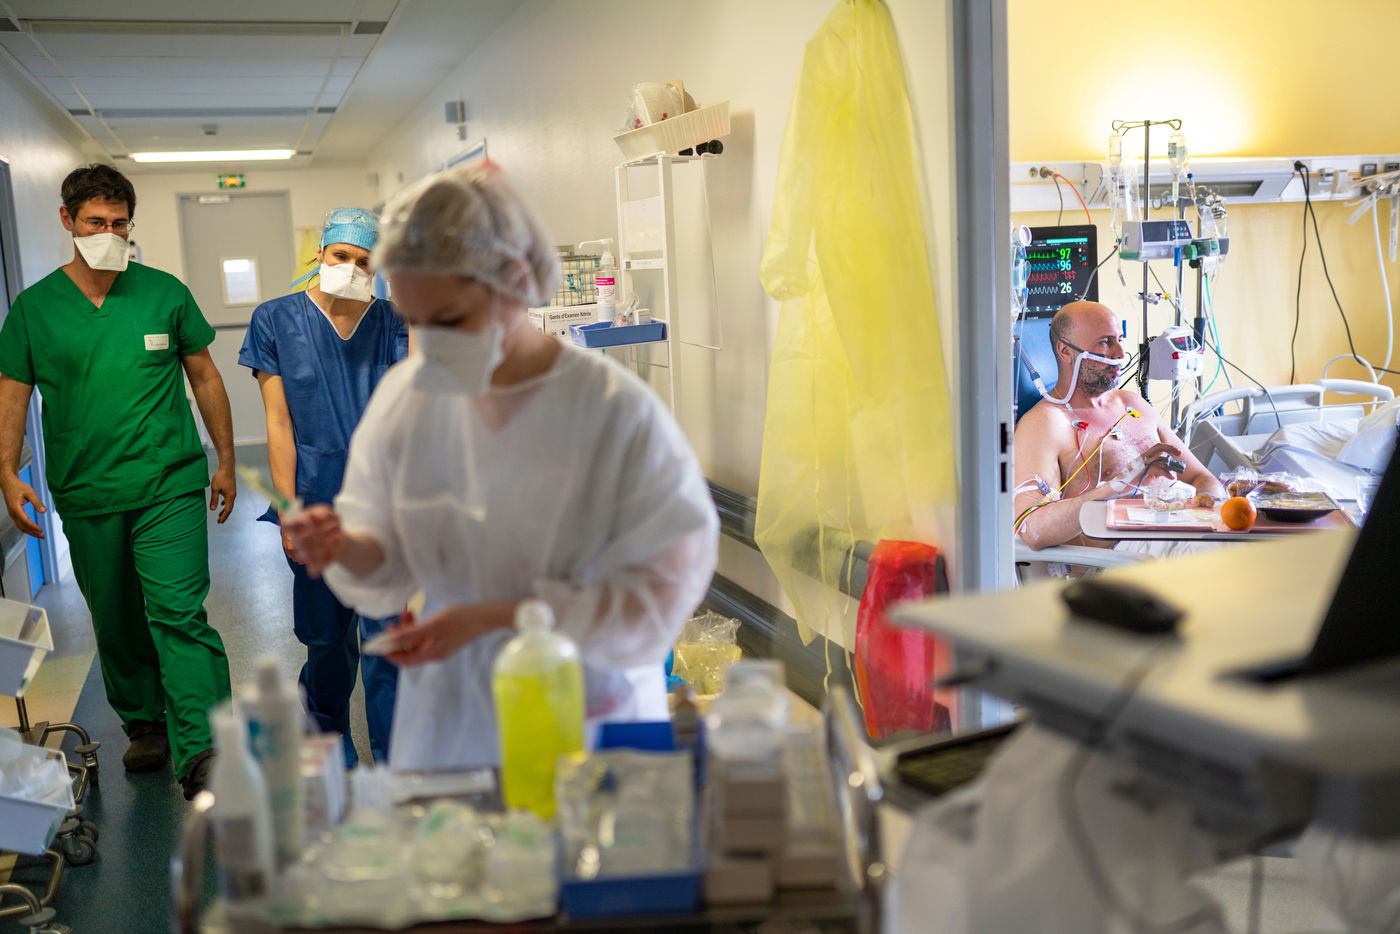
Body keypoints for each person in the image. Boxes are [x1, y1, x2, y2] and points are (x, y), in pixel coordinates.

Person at [285, 163, 718, 770]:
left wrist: (495, 621)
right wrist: (342, 548)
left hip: (588, 712)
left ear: (515, 281)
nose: (431, 344)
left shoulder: (611, 411)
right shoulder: (410, 400)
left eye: (449, 320)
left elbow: (660, 595)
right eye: (414, 320)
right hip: (455, 716)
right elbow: (386, 559)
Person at [0, 164, 237, 799]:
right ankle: (145, 722)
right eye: (95, 222)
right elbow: (13, 393)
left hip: (168, 482)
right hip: (87, 489)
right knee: (116, 616)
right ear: (67, 220)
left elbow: (205, 376)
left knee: (179, 613)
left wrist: (225, 458)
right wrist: (7, 472)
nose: (108, 233)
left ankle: (204, 747)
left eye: (119, 223)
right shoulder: (34, 309)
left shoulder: (164, 292)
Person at [238, 208, 408, 767]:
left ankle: (392, 765)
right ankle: (334, 756)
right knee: (328, 643)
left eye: (365, 261)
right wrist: (288, 509)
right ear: (320, 254)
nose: (352, 268)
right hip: (314, 500)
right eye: (341, 256)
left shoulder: (394, 321)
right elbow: (279, 423)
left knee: (387, 643)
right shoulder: (274, 319)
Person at [1014, 300, 1224, 551]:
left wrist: (1208, 510)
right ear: (1066, 351)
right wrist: (1117, 485)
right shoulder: (1046, 423)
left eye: (1120, 340)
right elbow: (1033, 529)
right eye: (1105, 342)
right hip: (1125, 556)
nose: (1120, 354)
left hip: (1187, 529)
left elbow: (1202, 477)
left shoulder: (1132, 404)